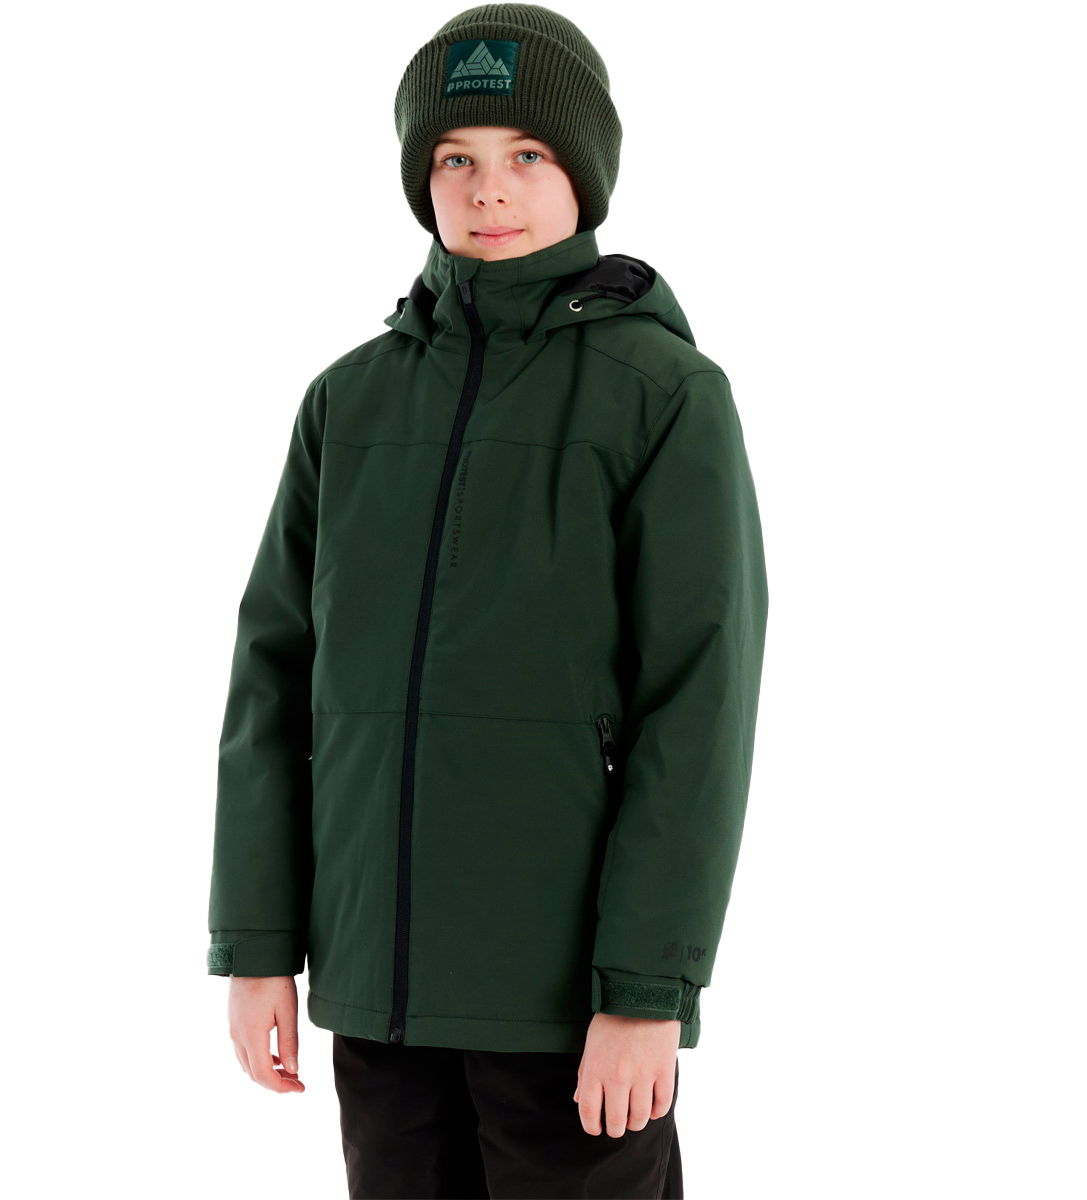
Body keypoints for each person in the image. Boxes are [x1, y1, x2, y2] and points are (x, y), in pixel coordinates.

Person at [205, 4, 769, 1196]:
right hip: (379, 996)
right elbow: (272, 682)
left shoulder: (663, 396)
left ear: (585, 173)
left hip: (565, 1008)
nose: (488, 189)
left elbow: (697, 707)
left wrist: (648, 992)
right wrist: (257, 947)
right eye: (455, 158)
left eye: (528, 154)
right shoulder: (348, 402)